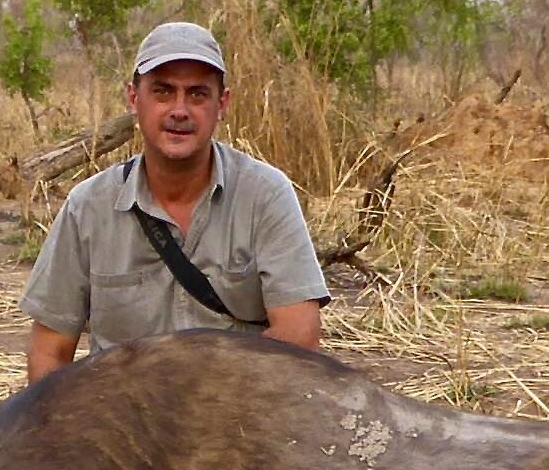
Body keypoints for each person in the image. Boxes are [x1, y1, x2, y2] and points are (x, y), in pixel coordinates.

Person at [19, 21, 330, 384]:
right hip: (119, 422)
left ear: (222, 103)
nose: (179, 110)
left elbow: (299, 337)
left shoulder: (266, 194)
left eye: (197, 94)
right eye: (163, 92)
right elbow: (49, 350)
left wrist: (190, 405)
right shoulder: (86, 206)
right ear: (134, 99)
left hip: (237, 416)